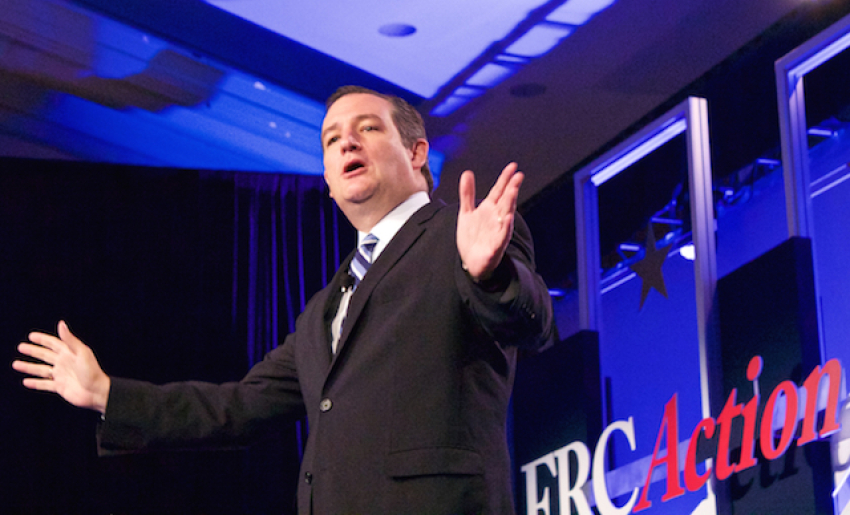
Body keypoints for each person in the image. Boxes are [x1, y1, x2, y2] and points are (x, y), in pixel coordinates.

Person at [14, 85, 554, 514]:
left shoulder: (463, 235)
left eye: (368, 128)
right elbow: (238, 407)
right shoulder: (323, 310)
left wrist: (489, 275)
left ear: (417, 153)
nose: (347, 143)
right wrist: (108, 394)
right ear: (328, 181)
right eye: (331, 140)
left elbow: (532, 325)